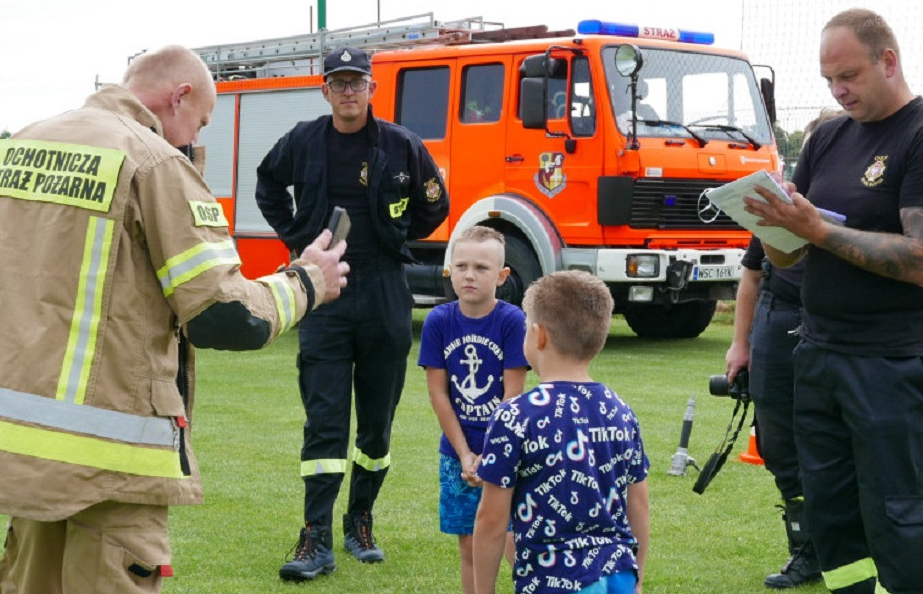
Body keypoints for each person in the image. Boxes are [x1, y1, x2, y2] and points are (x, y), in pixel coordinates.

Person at [0, 45, 348, 594]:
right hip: (110, 465)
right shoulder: (155, 163)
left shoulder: (11, 148)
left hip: (19, 455)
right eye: (200, 121)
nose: (196, 137)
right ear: (180, 97)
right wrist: (309, 280)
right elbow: (224, 316)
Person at [743, 8, 923, 594]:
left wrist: (816, 230)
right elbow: (795, 256)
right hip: (818, 351)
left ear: (888, 62)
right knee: (832, 513)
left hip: (894, 360)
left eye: (848, 76)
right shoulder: (828, 137)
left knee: (898, 511)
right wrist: (777, 223)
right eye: (828, 81)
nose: (837, 90)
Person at [256, 45, 449, 581]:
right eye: (338, 83)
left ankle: (359, 519)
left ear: (372, 88)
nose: (347, 91)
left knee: (377, 427)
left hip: (386, 288)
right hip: (325, 294)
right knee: (324, 422)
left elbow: (436, 204)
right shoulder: (302, 140)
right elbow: (267, 182)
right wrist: (298, 237)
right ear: (325, 90)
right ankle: (315, 536)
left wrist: (394, 238)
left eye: (356, 82)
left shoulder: (401, 145)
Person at [725, 109, 845, 590]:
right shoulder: (781, 209)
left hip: (831, 325)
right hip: (777, 322)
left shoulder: (851, 214)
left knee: (832, 443)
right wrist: (741, 345)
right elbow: (752, 276)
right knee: (776, 441)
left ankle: (842, 546)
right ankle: (805, 551)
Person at [473, 270, 650, 594]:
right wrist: (636, 579)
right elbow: (638, 503)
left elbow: (491, 521)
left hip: (552, 581)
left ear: (539, 336)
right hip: (618, 577)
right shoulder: (620, 410)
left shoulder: (514, 417)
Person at [417, 226, 528, 594]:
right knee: (469, 543)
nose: (469, 274)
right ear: (449, 270)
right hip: (456, 453)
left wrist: (490, 456)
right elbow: (439, 393)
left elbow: (513, 397)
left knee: (513, 541)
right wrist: (465, 455)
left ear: (502, 275)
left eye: (481, 267)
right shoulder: (439, 321)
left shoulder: (512, 322)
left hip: (505, 453)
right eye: (461, 265)